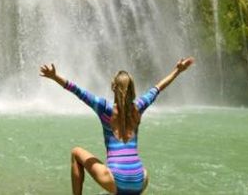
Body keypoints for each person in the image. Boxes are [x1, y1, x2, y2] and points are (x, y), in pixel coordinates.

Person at [39, 57, 195, 194]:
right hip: (141, 180)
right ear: (133, 89)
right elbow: (158, 87)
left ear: (113, 87)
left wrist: (54, 76)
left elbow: (77, 90)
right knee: (136, 173)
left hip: (116, 180)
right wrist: (178, 70)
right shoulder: (138, 107)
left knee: (76, 152)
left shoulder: (103, 108)